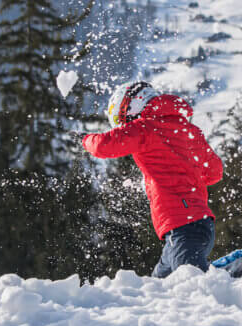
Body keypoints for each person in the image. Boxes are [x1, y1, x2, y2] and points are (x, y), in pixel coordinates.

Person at [82, 81, 224, 278]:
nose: (124, 125)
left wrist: (84, 139)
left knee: (197, 283)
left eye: (122, 118)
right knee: (158, 288)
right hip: (198, 223)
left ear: (133, 105)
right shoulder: (187, 129)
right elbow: (214, 171)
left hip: (183, 226)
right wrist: (181, 174)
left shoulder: (146, 128)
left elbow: (104, 146)